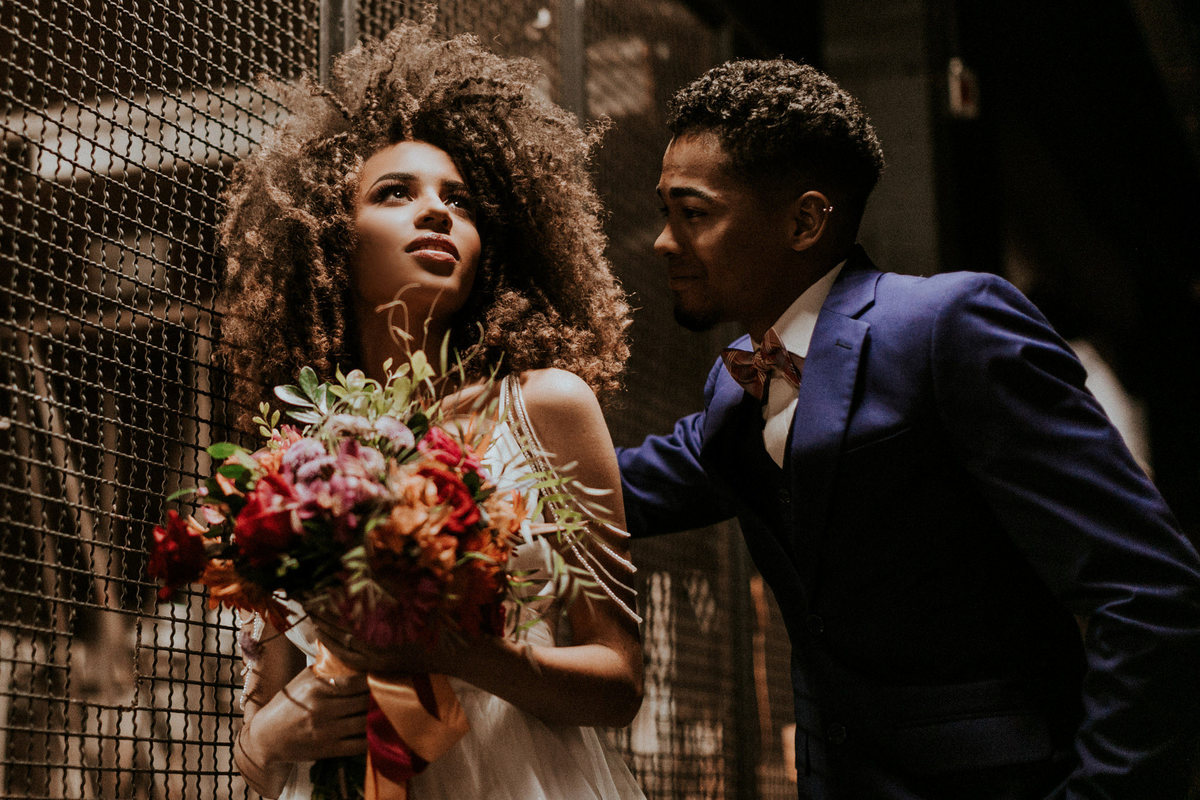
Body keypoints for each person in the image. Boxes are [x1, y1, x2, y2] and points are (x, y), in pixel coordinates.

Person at [616, 58, 1200, 799]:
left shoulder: (946, 326)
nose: (664, 242)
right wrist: (437, 464)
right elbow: (607, 490)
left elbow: (1150, 589)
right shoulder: (734, 394)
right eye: (665, 211)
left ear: (805, 220)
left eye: (692, 213)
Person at [215, 21, 645, 799]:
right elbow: (260, 737)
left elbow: (620, 680)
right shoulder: (294, 454)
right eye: (395, 193)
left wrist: (466, 653)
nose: (437, 212)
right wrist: (265, 732)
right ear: (328, 238)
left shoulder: (544, 407)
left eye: (460, 201)